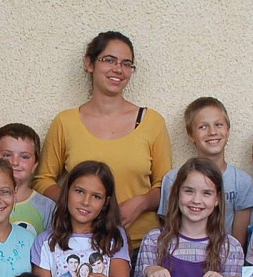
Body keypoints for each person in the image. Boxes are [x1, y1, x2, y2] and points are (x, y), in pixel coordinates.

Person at [33, 31, 172, 247]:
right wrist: (78, 204)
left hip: (140, 246)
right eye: (109, 60)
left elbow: (167, 184)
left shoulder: (152, 122)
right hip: (81, 245)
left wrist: (142, 202)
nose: (118, 69)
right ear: (89, 64)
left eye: (126, 64)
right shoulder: (66, 122)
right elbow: (42, 180)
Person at [158, 97, 253, 247]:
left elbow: (238, 242)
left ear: (228, 130)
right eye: (203, 127)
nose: (212, 132)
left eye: (218, 124)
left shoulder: (242, 181)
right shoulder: (172, 179)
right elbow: (169, 229)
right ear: (190, 135)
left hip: (224, 257)